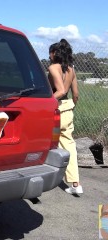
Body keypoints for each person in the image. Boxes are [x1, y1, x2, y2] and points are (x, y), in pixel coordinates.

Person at [48, 39, 83, 195]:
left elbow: (60, 90)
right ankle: (76, 183)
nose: (49, 56)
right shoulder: (71, 70)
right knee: (69, 145)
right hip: (68, 109)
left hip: (55, 109)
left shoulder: (53, 67)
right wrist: (72, 105)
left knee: (44, 141)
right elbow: (75, 94)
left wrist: (45, 103)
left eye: (50, 53)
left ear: (55, 53)